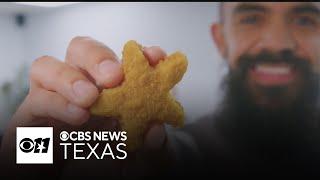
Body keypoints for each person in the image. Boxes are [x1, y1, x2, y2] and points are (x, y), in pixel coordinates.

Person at [1, 2, 320, 178]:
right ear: (220, 38)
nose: (279, 43)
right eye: (251, 17)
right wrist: (30, 155)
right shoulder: (178, 154)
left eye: (305, 19)